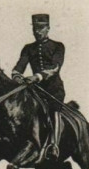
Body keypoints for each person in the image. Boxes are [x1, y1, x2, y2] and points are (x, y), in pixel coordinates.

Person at [11, 14, 66, 160]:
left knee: (54, 109)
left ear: (48, 28)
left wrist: (36, 77)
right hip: (35, 90)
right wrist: (17, 76)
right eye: (35, 28)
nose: (37, 31)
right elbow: (19, 67)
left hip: (54, 90)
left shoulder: (58, 46)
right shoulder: (28, 48)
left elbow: (55, 68)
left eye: (41, 28)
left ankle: (54, 145)